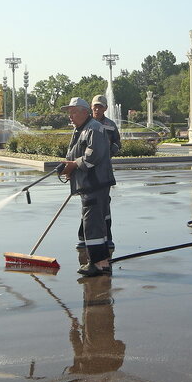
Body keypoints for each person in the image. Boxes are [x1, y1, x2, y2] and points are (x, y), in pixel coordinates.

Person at [61, 97, 116, 277]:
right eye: (69, 113)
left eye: (74, 112)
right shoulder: (81, 129)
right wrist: (69, 168)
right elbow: (76, 154)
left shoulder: (94, 129)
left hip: (95, 183)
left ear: (85, 112)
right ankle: (100, 261)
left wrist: (74, 165)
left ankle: (99, 263)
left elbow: (93, 157)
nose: (70, 116)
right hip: (89, 183)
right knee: (93, 222)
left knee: (93, 224)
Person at [91, 95, 121, 251]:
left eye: (100, 107)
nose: (97, 109)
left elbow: (117, 142)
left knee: (104, 202)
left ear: (105, 108)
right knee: (88, 203)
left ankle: (107, 236)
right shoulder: (85, 123)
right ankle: (84, 237)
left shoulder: (110, 125)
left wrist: (109, 152)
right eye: (95, 106)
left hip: (104, 171)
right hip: (87, 171)